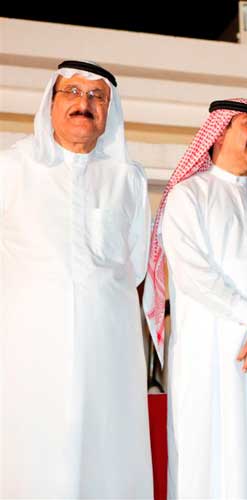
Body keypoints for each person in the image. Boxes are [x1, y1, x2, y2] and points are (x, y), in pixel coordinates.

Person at [143, 98, 247, 498]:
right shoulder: (188, 196)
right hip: (214, 355)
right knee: (217, 457)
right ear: (218, 133)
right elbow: (194, 272)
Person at [0, 60, 153, 498]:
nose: (83, 103)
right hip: (27, 351)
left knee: (104, 452)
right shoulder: (11, 167)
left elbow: (137, 263)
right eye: (71, 92)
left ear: (108, 111)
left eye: (96, 96)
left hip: (106, 349)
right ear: (50, 103)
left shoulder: (127, 179)